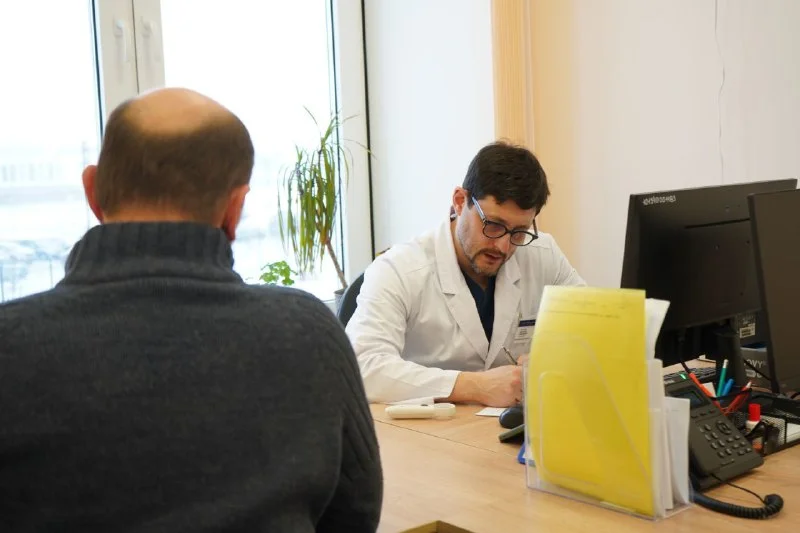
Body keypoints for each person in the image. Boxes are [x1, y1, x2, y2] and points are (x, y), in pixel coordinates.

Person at [0, 88, 382, 532]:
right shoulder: (308, 333)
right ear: (235, 209)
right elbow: (355, 514)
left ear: (92, 189)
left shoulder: (11, 345)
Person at [346, 141, 585, 406]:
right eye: (493, 225)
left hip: (506, 425)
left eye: (519, 232)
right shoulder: (399, 270)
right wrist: (475, 386)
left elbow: (593, 330)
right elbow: (363, 367)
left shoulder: (543, 254)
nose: (503, 246)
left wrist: (555, 358)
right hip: (429, 428)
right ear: (460, 201)